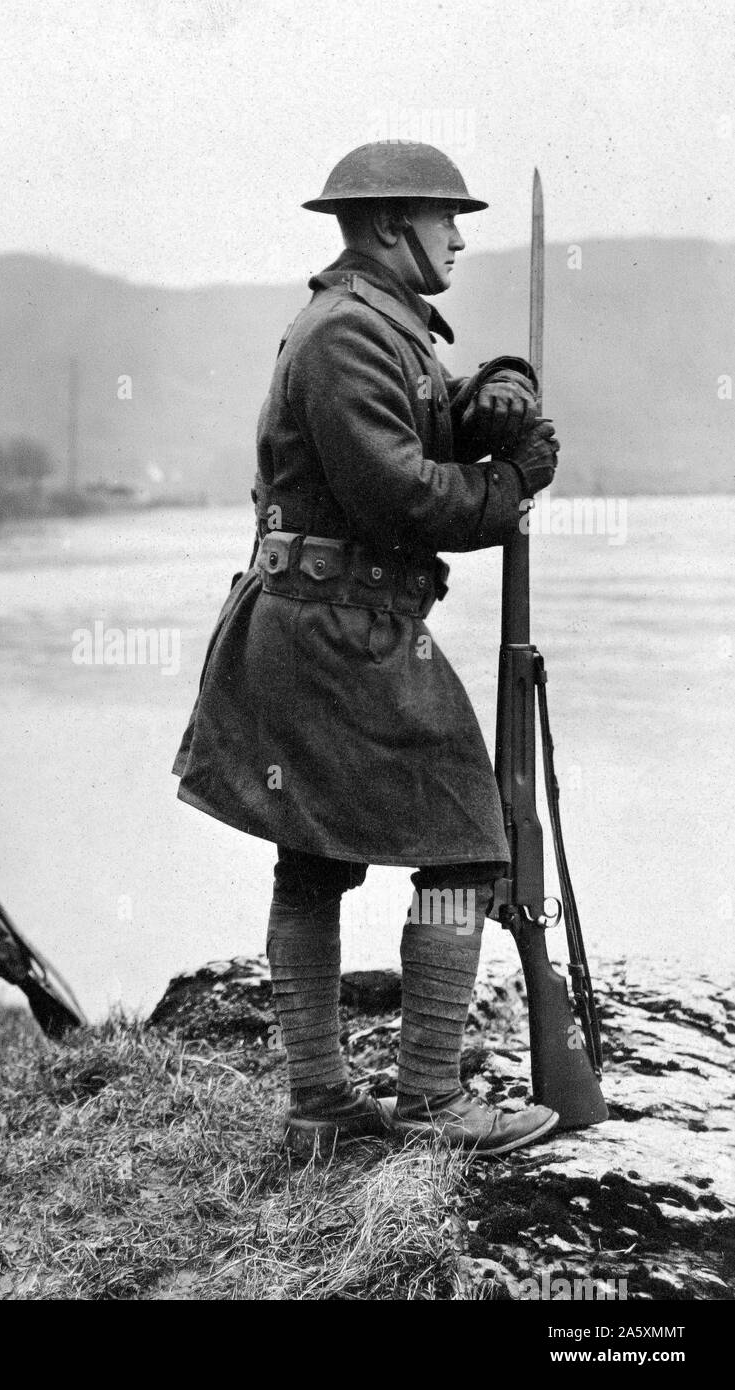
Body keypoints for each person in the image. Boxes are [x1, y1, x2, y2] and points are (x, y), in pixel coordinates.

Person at [173, 142, 562, 1159]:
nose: (460, 236)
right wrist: (509, 485)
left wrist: (496, 390)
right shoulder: (349, 334)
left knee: (313, 858)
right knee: (467, 841)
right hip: (338, 627)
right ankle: (429, 1101)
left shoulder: (371, 324)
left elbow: (433, 406)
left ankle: (321, 1105)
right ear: (393, 226)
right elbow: (398, 493)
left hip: (314, 621)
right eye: (445, 220)